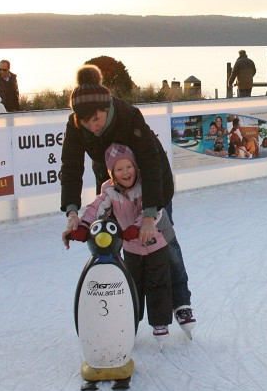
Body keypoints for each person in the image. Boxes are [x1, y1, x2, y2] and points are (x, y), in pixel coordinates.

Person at [60, 65, 195, 333]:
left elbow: (150, 160)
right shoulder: (78, 124)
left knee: (162, 243)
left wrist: (149, 215)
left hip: (154, 183)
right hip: (114, 187)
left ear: (106, 107)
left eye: (96, 119)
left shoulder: (128, 116)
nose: (92, 127)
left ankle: (181, 301)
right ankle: (123, 307)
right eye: (85, 123)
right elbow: (71, 166)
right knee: (111, 243)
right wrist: (72, 211)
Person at [65, 144, 173, 337]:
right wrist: (82, 227)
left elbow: (155, 208)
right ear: (112, 173)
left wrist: (137, 226)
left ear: (136, 167)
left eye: (129, 167)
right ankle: (130, 321)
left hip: (156, 244)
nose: (125, 172)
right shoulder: (109, 191)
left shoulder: (146, 184)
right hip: (131, 249)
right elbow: (94, 209)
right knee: (132, 286)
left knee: (158, 283)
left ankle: (160, 322)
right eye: (119, 169)